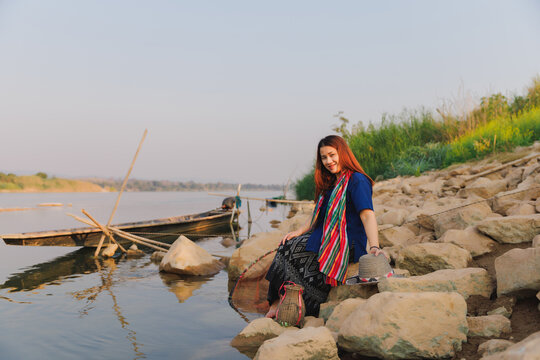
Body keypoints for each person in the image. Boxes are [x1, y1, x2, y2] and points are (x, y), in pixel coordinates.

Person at [265, 135, 384, 318]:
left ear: (342, 153)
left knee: (295, 251)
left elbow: (367, 214)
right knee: (287, 245)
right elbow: (317, 214)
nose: (328, 161)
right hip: (325, 235)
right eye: (324, 157)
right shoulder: (330, 182)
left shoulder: (357, 180)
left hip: (347, 241)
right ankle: (277, 301)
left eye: (332, 155)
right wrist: (299, 231)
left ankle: (307, 302)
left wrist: (374, 246)